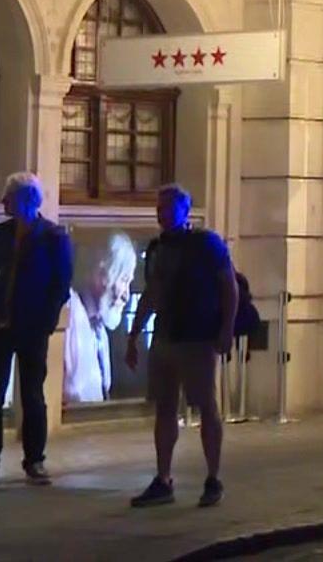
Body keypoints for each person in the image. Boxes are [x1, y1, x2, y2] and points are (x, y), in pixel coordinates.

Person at [126, 185, 237, 509]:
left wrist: (226, 328)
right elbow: (152, 293)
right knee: (164, 407)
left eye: (167, 208)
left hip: (198, 337)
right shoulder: (158, 248)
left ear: (184, 211)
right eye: (158, 208)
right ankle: (163, 478)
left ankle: (213, 477)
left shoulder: (206, 244)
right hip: (166, 336)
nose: (160, 214)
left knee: (205, 405)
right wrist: (134, 335)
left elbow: (228, 286)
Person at [0, 173, 73, 487]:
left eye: (9, 196)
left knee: (32, 395)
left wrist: (45, 321)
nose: (3, 202)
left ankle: (35, 460)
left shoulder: (53, 238)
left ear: (27, 200)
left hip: (31, 328)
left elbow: (60, 285)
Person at [65, 232, 139, 404]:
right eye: (124, 280)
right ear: (100, 274)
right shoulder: (68, 316)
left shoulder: (100, 330)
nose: (126, 296)